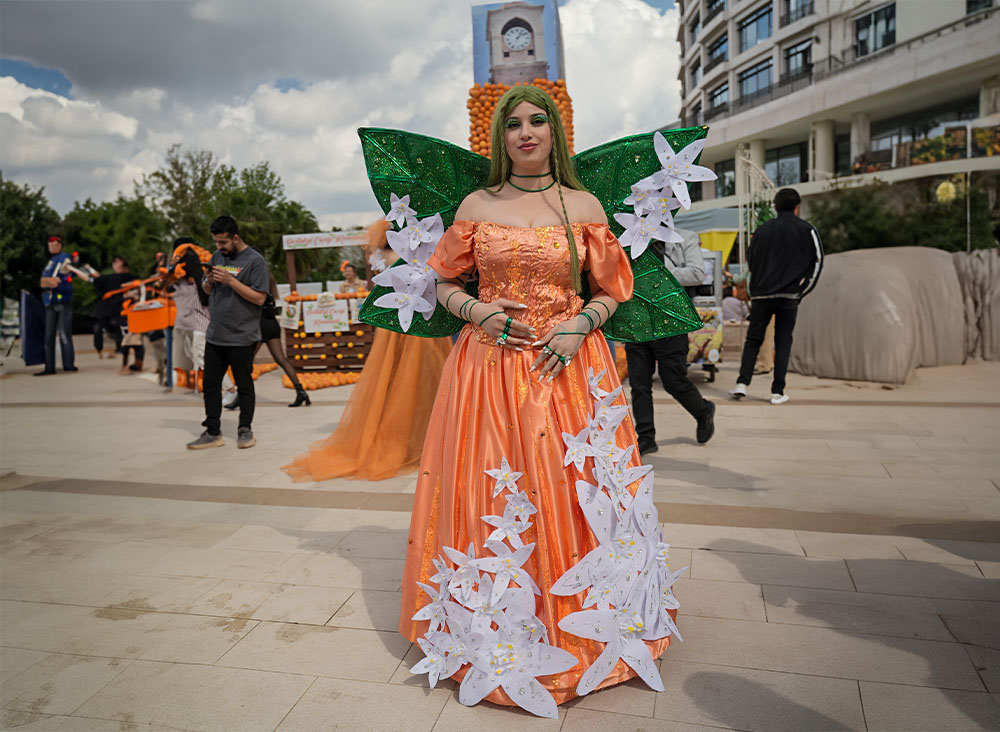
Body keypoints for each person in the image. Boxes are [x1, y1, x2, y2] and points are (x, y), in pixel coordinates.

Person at [398, 86, 679, 710]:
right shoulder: (476, 203)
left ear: (555, 132)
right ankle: (497, 633)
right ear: (499, 139)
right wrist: (475, 309)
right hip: (489, 371)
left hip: (571, 370)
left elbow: (613, 289)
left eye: (537, 121)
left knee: (571, 483)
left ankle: (589, 629)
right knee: (496, 492)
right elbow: (440, 280)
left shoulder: (582, 205)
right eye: (513, 124)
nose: (526, 132)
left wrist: (583, 322)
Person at [282, 221, 452, 480]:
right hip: (414, 323)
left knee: (398, 381)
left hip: (398, 323)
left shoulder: (384, 256)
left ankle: (412, 436)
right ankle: (427, 438)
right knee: (424, 381)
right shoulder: (412, 252)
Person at [625, 228, 715, 452]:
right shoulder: (628, 238)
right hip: (638, 319)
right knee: (639, 384)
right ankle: (646, 437)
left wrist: (660, 270)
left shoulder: (685, 236)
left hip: (671, 320)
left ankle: (703, 411)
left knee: (673, 380)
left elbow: (696, 273)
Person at [730, 187, 823, 404]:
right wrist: (802, 291)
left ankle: (742, 383)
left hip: (762, 295)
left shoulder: (762, 231)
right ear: (797, 206)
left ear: (775, 206)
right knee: (783, 342)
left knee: (753, 339)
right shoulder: (807, 230)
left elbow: (751, 262)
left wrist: (757, 290)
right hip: (789, 296)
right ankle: (777, 391)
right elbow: (818, 262)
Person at [187, 216, 270, 450]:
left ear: (235, 237)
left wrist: (231, 281)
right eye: (215, 242)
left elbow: (260, 298)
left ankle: (245, 430)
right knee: (211, 384)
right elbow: (205, 288)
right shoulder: (217, 257)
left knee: (244, 384)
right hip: (216, 334)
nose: (219, 247)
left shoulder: (255, 261)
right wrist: (210, 282)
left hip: (242, 335)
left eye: (223, 242)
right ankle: (213, 432)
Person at [257, 270, 310, 407]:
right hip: (272, 323)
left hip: (260, 323)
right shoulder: (268, 278)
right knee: (281, 359)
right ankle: (301, 391)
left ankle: (240, 394)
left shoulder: (255, 278)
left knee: (245, 362)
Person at [164, 243, 211, 392]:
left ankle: (193, 382)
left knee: (189, 356)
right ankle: (198, 383)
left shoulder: (179, 281)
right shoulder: (202, 280)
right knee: (195, 357)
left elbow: (162, 284)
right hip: (197, 324)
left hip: (187, 323)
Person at [35, 236, 77, 375]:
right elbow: (43, 282)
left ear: (60, 245)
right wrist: (48, 281)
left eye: (55, 245)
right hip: (49, 300)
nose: (52, 247)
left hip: (61, 300)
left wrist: (49, 281)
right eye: (50, 245)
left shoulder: (64, 259)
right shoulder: (51, 261)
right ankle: (49, 366)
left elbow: (57, 281)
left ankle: (68, 364)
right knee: (48, 336)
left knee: (64, 333)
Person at [91, 256, 131, 359]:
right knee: (99, 327)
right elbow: (96, 281)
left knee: (120, 326)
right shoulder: (109, 278)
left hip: (119, 310)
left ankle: (120, 349)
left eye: (118, 262)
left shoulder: (128, 277)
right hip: (107, 310)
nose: (116, 263)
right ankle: (100, 350)